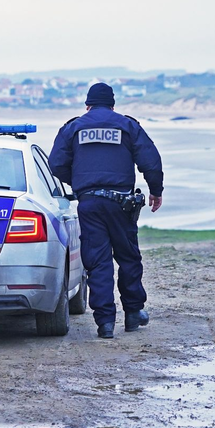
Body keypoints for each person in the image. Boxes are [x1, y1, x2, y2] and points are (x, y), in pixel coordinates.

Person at [48, 83, 164, 339]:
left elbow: (55, 165)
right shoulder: (127, 125)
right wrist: (156, 190)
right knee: (128, 257)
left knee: (98, 262)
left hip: (89, 203)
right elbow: (151, 160)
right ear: (113, 105)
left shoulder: (73, 127)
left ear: (87, 105)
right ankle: (133, 314)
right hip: (122, 204)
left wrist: (80, 183)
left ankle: (105, 324)